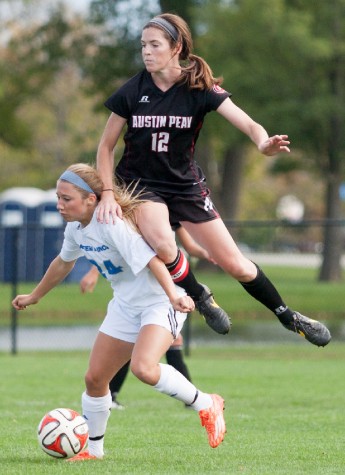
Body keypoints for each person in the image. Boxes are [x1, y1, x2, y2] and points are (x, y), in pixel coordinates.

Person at [95, 13, 331, 348]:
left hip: (185, 185)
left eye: (154, 45)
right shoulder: (133, 90)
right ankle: (201, 296)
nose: (146, 52)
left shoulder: (198, 88)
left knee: (236, 264)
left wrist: (263, 144)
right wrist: (107, 192)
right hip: (139, 185)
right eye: (143, 45)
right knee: (164, 241)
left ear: (176, 47)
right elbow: (104, 147)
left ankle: (288, 316)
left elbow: (249, 124)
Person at [12, 164, 226, 461]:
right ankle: (94, 451)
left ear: (91, 199)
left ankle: (206, 403)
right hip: (125, 305)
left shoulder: (111, 223)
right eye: (58, 198)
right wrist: (35, 296)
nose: (60, 205)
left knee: (143, 368)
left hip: (161, 301)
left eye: (66, 199)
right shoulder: (75, 228)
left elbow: (153, 260)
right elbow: (63, 262)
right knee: (95, 379)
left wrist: (173, 297)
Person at [80, 224, 215, 409]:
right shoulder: (129, 219)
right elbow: (111, 250)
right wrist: (94, 272)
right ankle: (112, 395)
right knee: (131, 349)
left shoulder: (170, 213)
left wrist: (211, 254)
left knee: (154, 353)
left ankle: (196, 400)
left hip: (168, 292)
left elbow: (189, 247)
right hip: (137, 295)